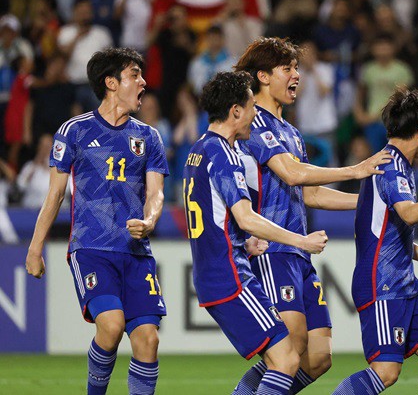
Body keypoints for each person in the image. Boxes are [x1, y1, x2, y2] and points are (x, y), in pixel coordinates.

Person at [233, 37, 391, 394]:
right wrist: (356, 170)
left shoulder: (290, 132)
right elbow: (293, 174)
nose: (296, 75)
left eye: (297, 68)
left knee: (318, 357)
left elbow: (311, 192)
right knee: (287, 350)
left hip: (298, 252)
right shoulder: (251, 121)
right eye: (286, 68)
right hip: (271, 248)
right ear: (262, 76)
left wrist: (369, 201)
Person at [25, 48, 169, 395]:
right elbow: (55, 196)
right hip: (92, 248)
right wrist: (35, 248)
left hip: (136, 252)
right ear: (111, 82)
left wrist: (149, 220)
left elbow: (156, 193)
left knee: (148, 340)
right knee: (111, 324)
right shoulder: (74, 132)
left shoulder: (148, 137)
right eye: (135, 74)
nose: (143, 82)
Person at [184, 70, 328, 394]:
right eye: (250, 107)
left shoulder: (198, 151)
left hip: (221, 270)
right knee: (287, 359)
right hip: (230, 275)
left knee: (288, 355)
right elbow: (246, 217)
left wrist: (243, 241)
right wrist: (300, 240)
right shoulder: (223, 153)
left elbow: (213, 216)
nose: (254, 115)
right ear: (235, 111)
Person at [334, 88, 418, 394]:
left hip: (403, 282)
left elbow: (384, 227)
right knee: (385, 373)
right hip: (382, 283)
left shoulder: (395, 164)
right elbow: (408, 214)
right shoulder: (390, 165)